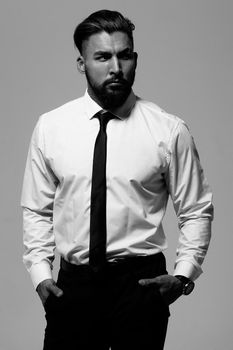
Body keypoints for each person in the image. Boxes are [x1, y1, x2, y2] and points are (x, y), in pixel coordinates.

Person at [21, 9, 214, 350]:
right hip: (74, 286)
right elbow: (37, 209)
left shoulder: (168, 130)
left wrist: (183, 275)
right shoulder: (51, 128)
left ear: (134, 59)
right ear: (82, 63)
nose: (115, 67)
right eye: (102, 56)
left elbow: (196, 209)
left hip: (140, 285)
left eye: (124, 56)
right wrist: (40, 275)